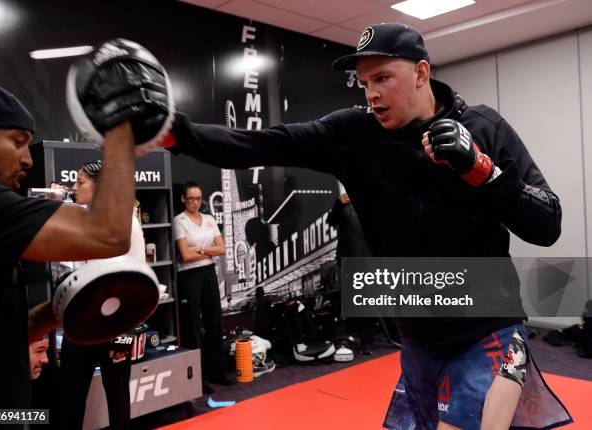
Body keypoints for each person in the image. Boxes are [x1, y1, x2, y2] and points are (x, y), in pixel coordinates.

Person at [161, 23, 571, 429]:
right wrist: (175, 133)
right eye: (363, 83)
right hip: (417, 338)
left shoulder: (483, 128)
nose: (371, 93)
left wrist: (484, 172)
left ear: (421, 73)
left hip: (489, 331)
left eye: (382, 78)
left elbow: (547, 222)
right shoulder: (353, 134)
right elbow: (265, 142)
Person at [0, 39, 170, 414]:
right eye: (17, 142)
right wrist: (119, 126)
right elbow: (107, 234)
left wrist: (70, 305)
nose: (27, 159)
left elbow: (10, 332)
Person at [56, 160, 146, 430]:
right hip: (80, 321)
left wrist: (127, 325)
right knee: (69, 394)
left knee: (118, 395)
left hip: (114, 323)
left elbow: (137, 276)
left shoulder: (126, 222)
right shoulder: (79, 218)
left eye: (80, 182)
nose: (74, 187)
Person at [173, 181, 230, 394]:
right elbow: (185, 256)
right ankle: (199, 378)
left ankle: (217, 373)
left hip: (208, 273)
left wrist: (200, 249)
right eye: (190, 199)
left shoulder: (209, 219)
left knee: (214, 322)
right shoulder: (178, 221)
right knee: (193, 328)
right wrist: (207, 250)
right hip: (189, 277)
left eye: (198, 199)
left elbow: (222, 249)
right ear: (183, 199)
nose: (195, 202)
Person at [326, 192, 375, 354]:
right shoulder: (342, 204)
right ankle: (366, 341)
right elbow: (331, 220)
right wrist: (339, 203)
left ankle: (370, 339)